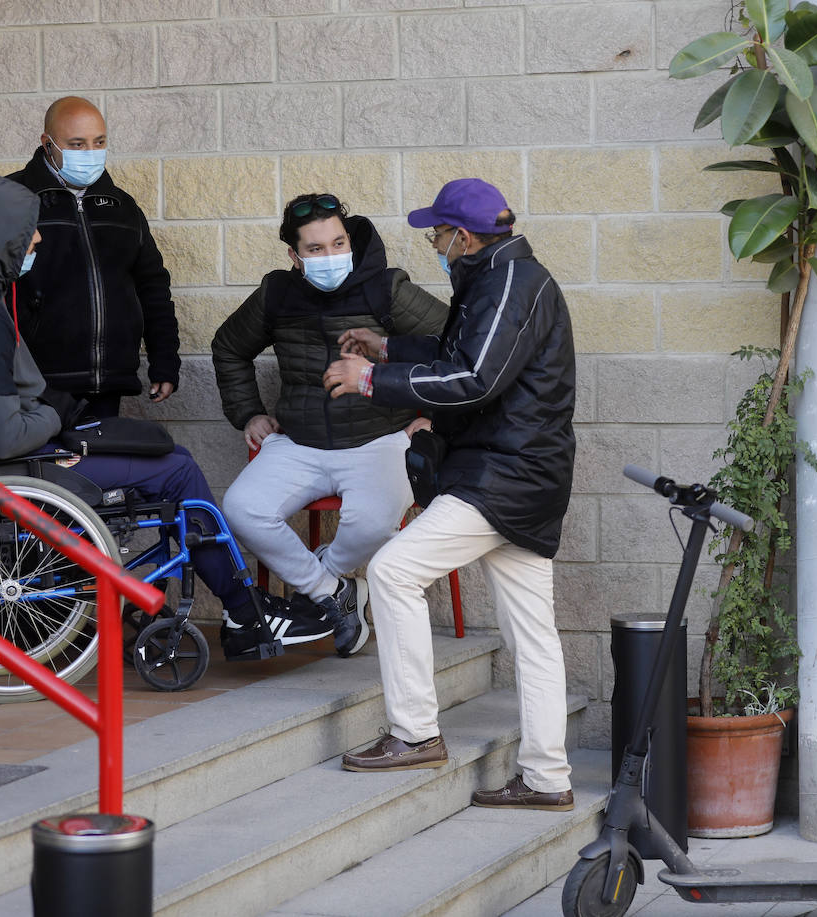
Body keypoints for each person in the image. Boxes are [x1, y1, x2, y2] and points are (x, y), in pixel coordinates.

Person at [0, 172, 258, 634]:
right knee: (177, 469)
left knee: (168, 454)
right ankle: (244, 611)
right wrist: (57, 412)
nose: (39, 237)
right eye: (30, 227)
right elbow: (5, 437)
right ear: (2, 234)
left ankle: (212, 604)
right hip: (13, 467)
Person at [323, 179, 577, 811]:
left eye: (437, 234)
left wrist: (373, 378)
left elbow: (474, 377)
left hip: (503, 478)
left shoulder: (510, 284)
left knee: (392, 571)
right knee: (534, 639)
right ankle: (548, 780)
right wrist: (390, 347)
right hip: (522, 477)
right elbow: (462, 352)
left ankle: (414, 732)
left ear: (463, 237)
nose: (434, 244)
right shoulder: (502, 277)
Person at [212, 193, 449, 658]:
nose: (330, 256)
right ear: (294, 256)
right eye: (316, 249)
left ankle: (319, 592)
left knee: (373, 524)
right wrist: (250, 413)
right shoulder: (276, 294)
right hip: (299, 443)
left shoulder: (386, 289)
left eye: (338, 243)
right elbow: (228, 347)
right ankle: (336, 595)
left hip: (380, 441)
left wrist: (430, 417)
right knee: (241, 508)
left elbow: (455, 346)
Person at [7, 96, 179, 419]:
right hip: (36, 390)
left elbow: (152, 287)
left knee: (99, 470)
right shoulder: (13, 199)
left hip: (108, 386)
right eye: (77, 144)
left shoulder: (122, 207)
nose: (90, 153)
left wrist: (165, 360)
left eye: (98, 142)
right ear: (48, 144)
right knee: (44, 471)